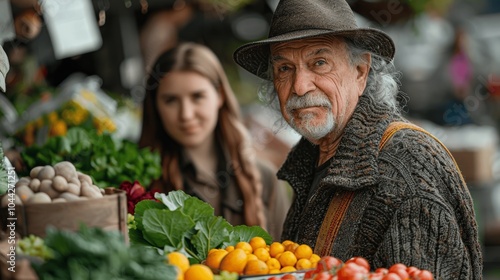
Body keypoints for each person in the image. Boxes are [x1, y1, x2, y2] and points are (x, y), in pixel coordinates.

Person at [233, 0, 483, 279]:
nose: (300, 86)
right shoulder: (312, 157)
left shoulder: (407, 164)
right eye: (284, 69)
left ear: (360, 72)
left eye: (319, 63)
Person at [139, 42, 290, 240]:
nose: (186, 114)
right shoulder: (143, 181)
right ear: (155, 106)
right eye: (171, 100)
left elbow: (288, 261)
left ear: (219, 96)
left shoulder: (263, 177)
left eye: (197, 97)